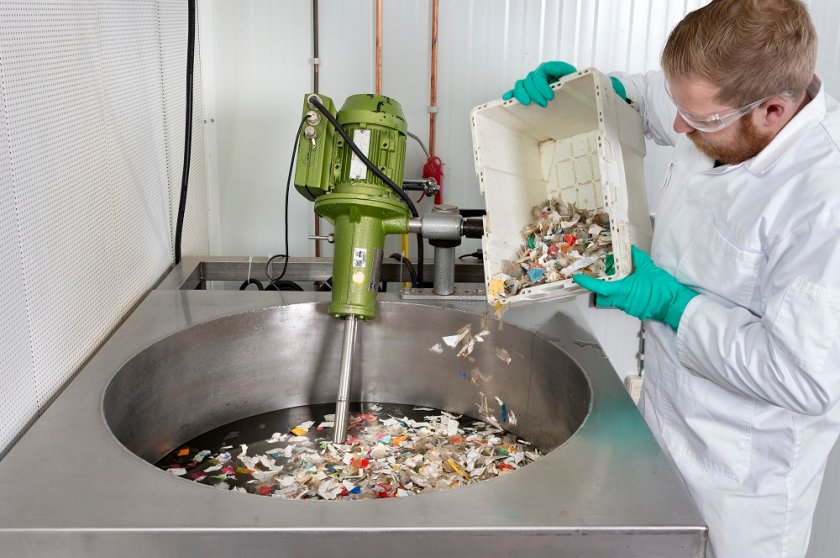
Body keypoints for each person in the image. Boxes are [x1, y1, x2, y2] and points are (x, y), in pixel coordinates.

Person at [503, 1, 840, 557]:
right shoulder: (722, 104)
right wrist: (602, 91)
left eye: (701, 121)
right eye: (682, 109)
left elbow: (803, 380)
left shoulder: (823, 201)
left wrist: (670, 303)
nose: (679, 127)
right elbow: (659, 99)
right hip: (664, 417)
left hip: (741, 477)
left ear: (774, 111)